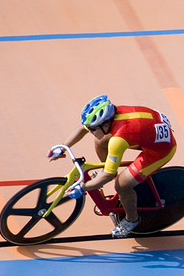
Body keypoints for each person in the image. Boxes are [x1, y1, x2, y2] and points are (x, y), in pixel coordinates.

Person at [48, 95, 177, 238]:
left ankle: (132, 219)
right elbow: (82, 128)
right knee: (100, 141)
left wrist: (83, 188)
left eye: (93, 129)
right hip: (147, 130)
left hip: (160, 150)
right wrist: (63, 147)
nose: (90, 132)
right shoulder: (109, 117)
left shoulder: (118, 140)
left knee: (122, 185)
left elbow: (108, 176)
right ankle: (107, 170)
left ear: (105, 125)